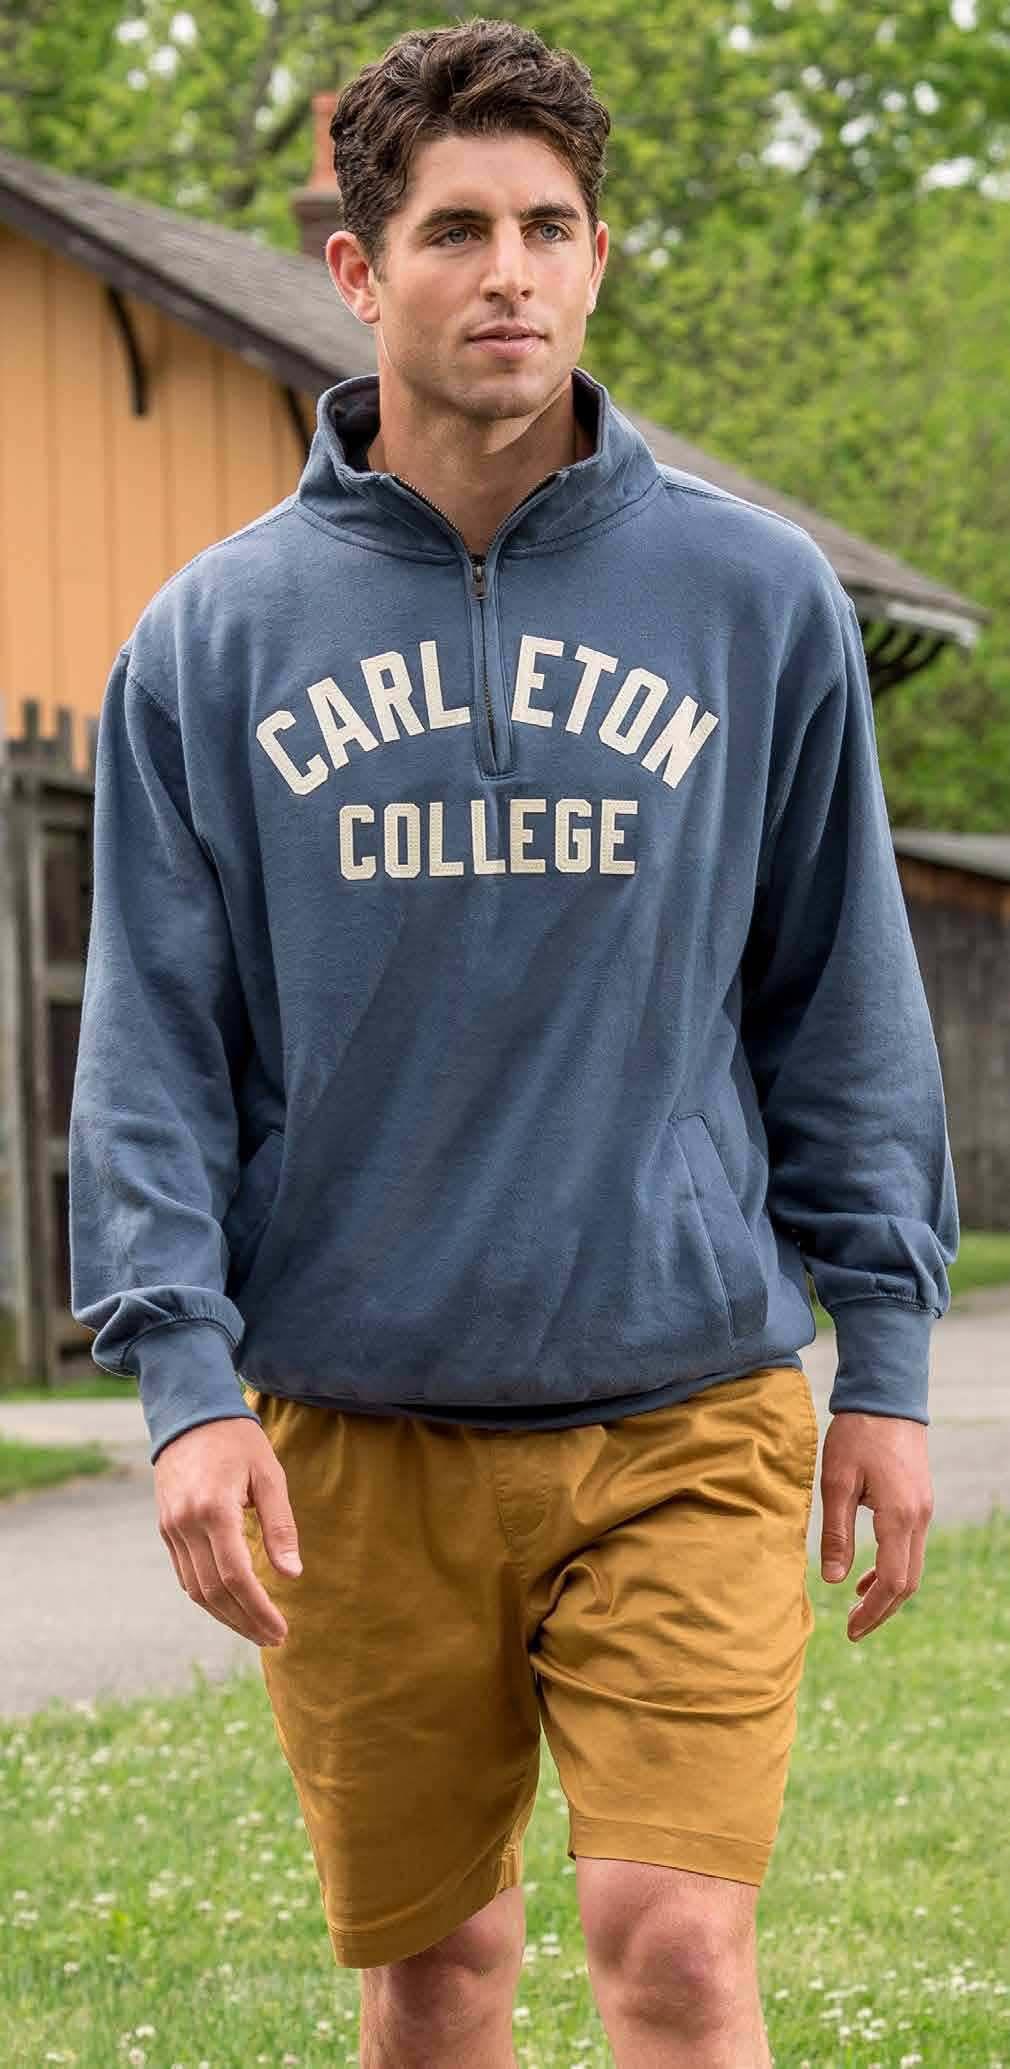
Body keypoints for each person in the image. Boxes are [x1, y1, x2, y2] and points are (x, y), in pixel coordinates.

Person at [68, 16, 958, 2068]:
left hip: (685, 1399)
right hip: (356, 1429)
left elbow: (839, 996)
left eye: (549, 227)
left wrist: (888, 1363)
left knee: (676, 1949)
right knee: (438, 1975)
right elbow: (154, 1045)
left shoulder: (752, 599)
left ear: (599, 258)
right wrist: (185, 1385)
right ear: (358, 270)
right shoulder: (213, 639)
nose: (509, 274)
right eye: (455, 230)